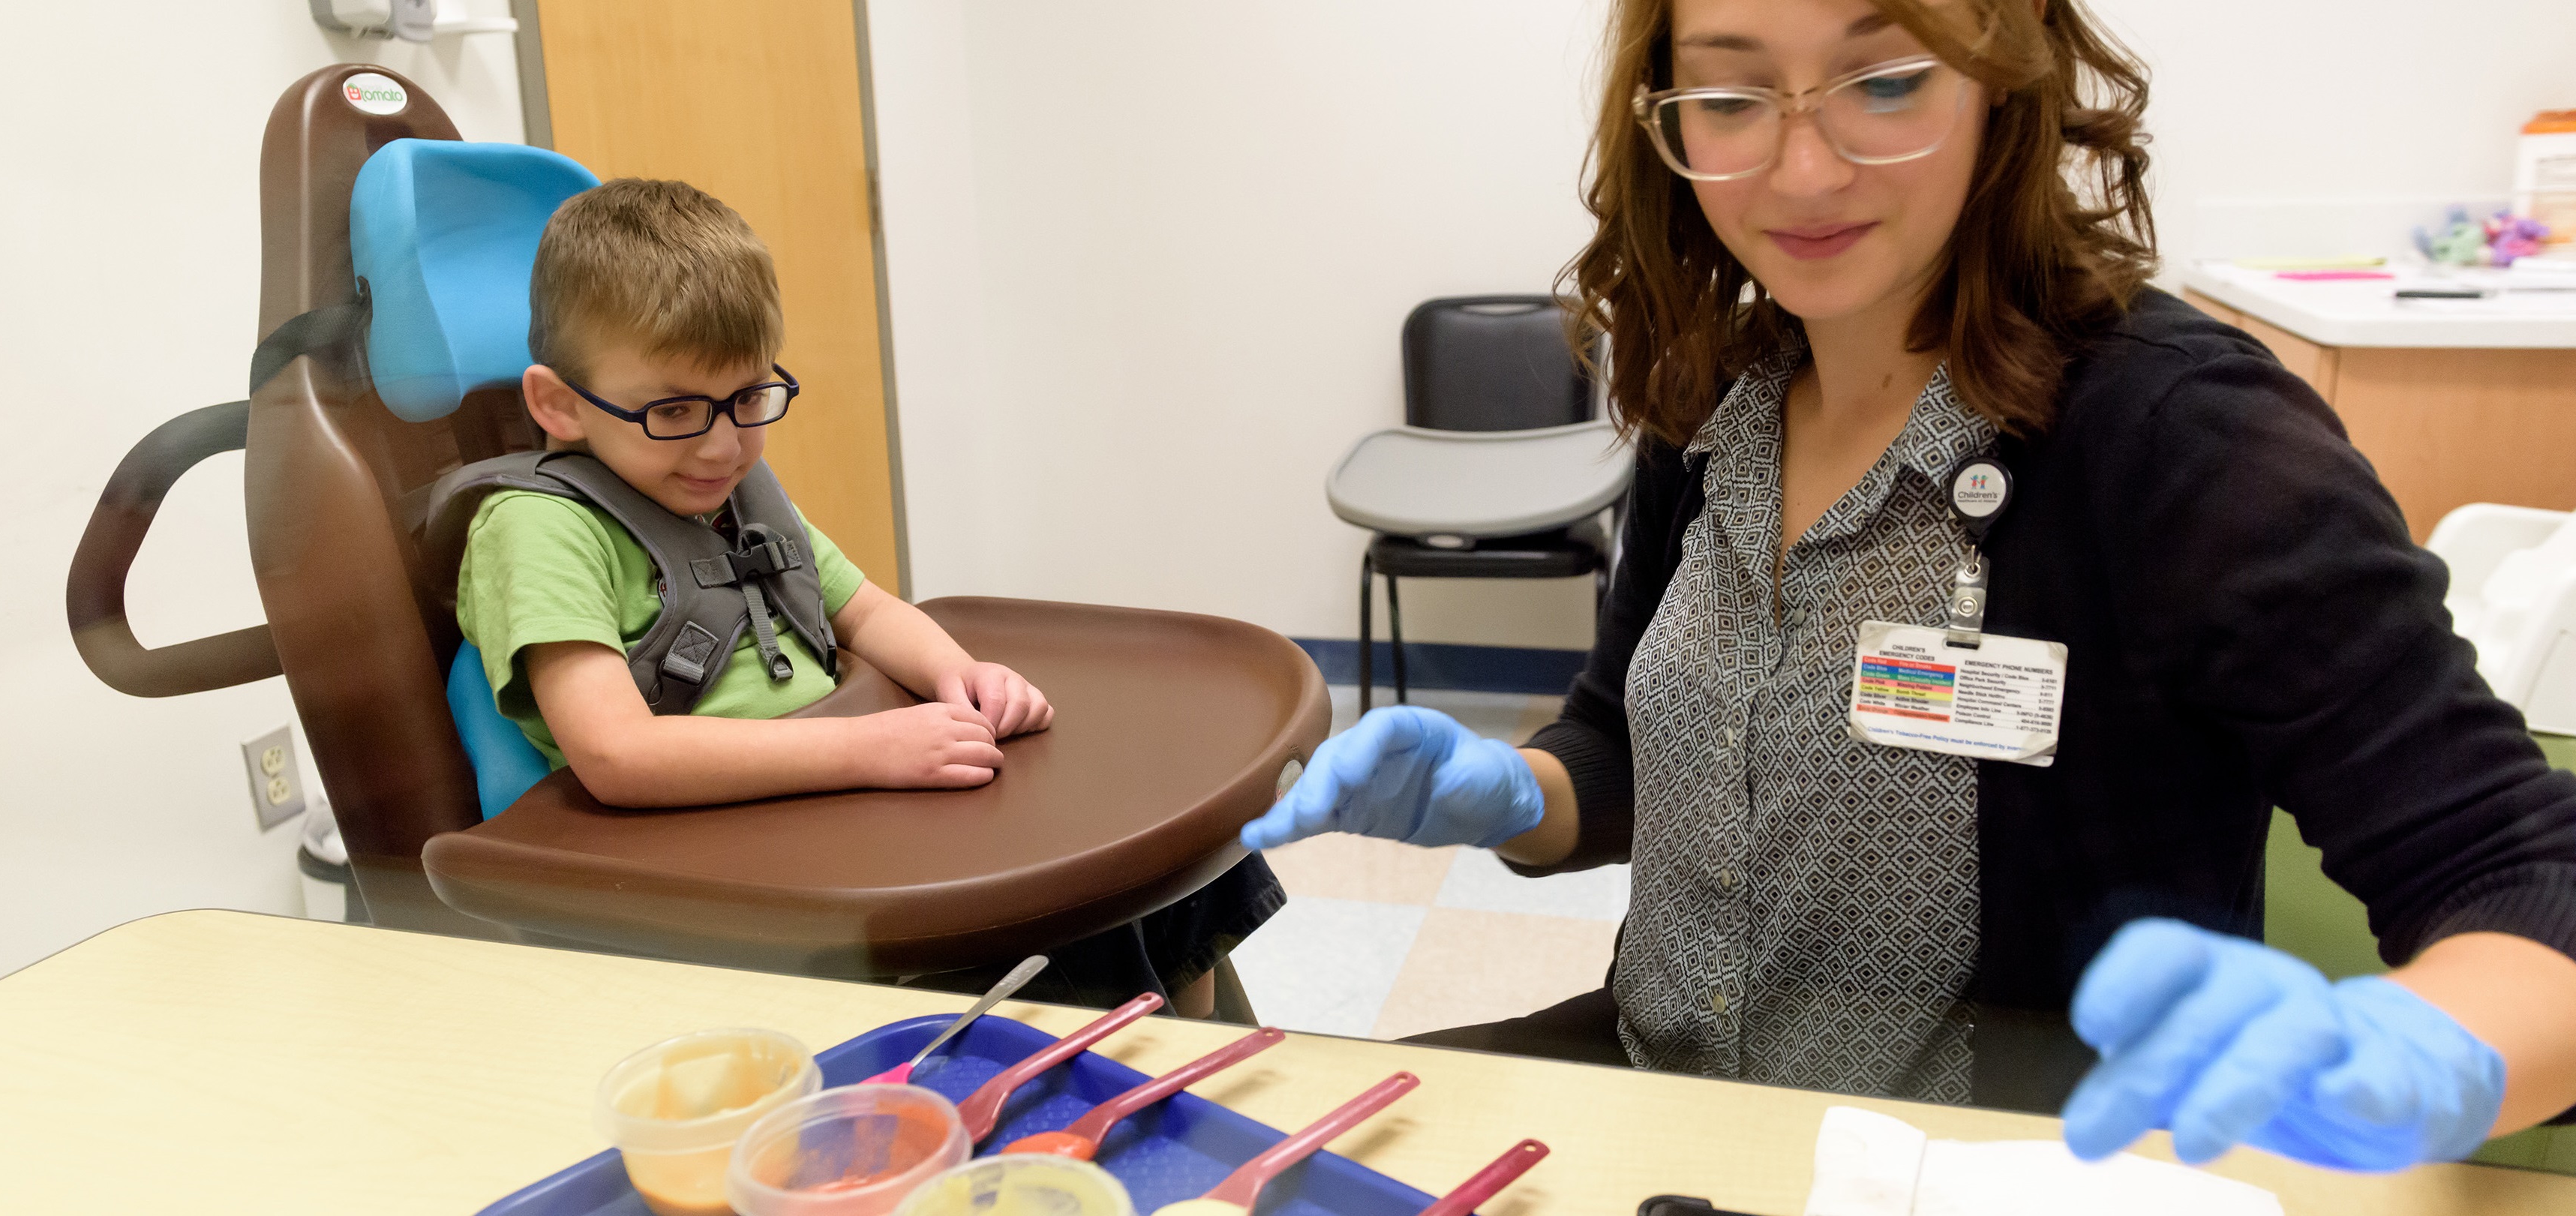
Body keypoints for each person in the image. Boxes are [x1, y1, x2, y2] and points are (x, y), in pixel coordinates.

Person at [1243, 0, 2576, 1172]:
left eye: (1882, 81)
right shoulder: (1716, 391)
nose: (1800, 167)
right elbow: (1630, 747)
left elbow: (2527, 877)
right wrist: (1517, 796)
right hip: (1665, 1098)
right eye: (1727, 94)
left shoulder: (2183, 443)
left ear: (2001, 79)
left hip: (1981, 1162)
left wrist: (2415, 1052)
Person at [458, 179, 1278, 1014]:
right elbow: (617, 756)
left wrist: (962, 675)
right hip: (710, 853)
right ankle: (1136, 1090)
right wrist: (873, 748)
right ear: (557, 405)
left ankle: (1196, 1059)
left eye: (748, 399)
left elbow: (865, 611)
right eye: (673, 410)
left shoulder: (729, 494)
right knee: (1062, 929)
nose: (722, 443)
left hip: (839, 807)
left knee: (1142, 858)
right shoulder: (536, 530)